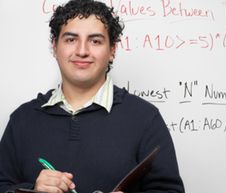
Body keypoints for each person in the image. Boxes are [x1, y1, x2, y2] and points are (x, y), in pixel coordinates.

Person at [0, 0, 185, 193]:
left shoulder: (146, 119)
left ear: (112, 50)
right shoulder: (22, 120)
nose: (82, 51)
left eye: (95, 41)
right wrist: (32, 190)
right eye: (71, 40)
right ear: (55, 47)